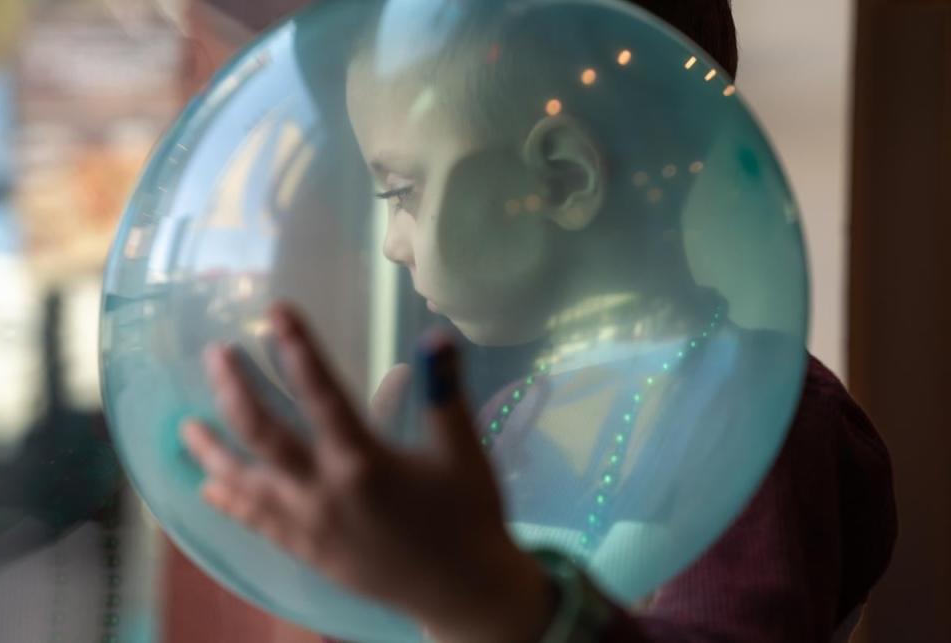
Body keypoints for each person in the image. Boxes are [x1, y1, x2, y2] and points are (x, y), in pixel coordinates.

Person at [181, 1, 897, 641]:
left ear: (563, 177)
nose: (393, 244)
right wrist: (344, 575)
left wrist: (488, 598)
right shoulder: (502, 422)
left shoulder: (752, 419)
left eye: (402, 192)